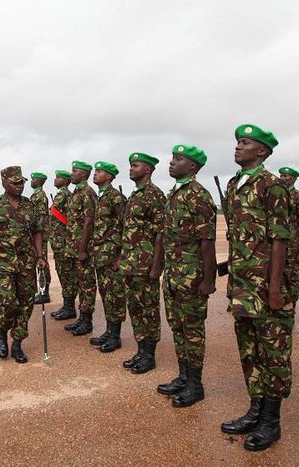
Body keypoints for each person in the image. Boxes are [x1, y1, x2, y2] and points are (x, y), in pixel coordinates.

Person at [220, 124, 293, 452]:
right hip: (243, 286)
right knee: (249, 351)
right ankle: (255, 410)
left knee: (273, 354)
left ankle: (271, 422)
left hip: (266, 287)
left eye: (245, 142)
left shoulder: (272, 186)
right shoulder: (236, 184)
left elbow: (280, 239)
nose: (238, 146)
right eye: (237, 141)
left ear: (262, 151)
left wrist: (275, 289)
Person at [157, 145, 216, 408]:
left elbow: (207, 241)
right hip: (174, 274)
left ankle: (196, 384)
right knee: (178, 327)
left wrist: (208, 279)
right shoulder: (175, 193)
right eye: (172, 158)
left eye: (178, 159)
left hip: (191, 276)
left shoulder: (198, 196)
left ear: (192, 166)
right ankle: (183, 377)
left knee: (192, 330)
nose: (171, 162)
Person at [0, 166, 47, 363]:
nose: (20, 186)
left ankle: (17, 343)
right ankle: (2, 334)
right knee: (8, 302)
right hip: (2, 262)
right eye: (15, 183)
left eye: (21, 182)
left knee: (26, 303)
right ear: (4, 184)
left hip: (26, 262)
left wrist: (41, 256)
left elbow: (38, 232)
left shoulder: (30, 206)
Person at [118, 153, 165, 374]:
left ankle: (150, 355)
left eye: (135, 165)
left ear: (147, 170)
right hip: (131, 263)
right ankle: (141, 350)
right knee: (135, 308)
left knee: (149, 309)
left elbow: (160, 234)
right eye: (130, 165)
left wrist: (157, 265)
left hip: (145, 264)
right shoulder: (135, 195)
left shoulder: (154, 195)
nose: (130, 169)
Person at [89, 161, 126, 353]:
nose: (95, 174)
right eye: (95, 171)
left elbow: (124, 226)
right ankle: (109, 331)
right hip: (100, 254)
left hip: (112, 255)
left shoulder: (116, 198)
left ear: (109, 176)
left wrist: (120, 254)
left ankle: (116, 336)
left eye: (100, 172)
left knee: (115, 295)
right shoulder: (99, 197)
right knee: (105, 294)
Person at [62, 161, 98, 336]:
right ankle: (81, 318)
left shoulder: (88, 193)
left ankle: (87, 320)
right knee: (79, 282)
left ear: (84, 174)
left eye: (75, 171)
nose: (72, 174)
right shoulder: (77, 192)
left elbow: (89, 222)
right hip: (74, 246)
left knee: (87, 285)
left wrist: (82, 249)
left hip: (83, 248)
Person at [278, 167, 299, 306]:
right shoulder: (277, 195)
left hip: (292, 244)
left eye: (286, 176)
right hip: (278, 242)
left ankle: (292, 303)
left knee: (292, 276)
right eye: (281, 175)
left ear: (295, 178)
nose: (283, 178)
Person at [49, 170, 77, 319]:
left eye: (59, 177)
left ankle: (70, 307)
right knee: (63, 273)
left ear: (66, 181)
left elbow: (69, 220)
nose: (55, 179)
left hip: (64, 242)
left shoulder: (65, 195)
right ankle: (67, 305)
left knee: (67, 275)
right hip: (59, 242)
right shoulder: (62, 194)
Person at [30, 172, 51, 304]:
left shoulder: (40, 196)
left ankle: (44, 292)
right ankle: (41, 291)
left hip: (40, 235)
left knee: (41, 262)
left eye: (33, 179)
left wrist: (38, 231)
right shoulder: (36, 194)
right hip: (37, 234)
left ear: (39, 181)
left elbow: (42, 217)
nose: (31, 181)